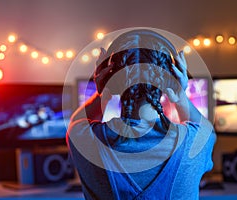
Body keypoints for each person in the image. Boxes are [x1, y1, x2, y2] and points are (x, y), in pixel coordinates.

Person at [67, 29, 216, 200]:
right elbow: (207, 130)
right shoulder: (194, 143)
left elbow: (75, 123)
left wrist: (103, 93)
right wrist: (180, 95)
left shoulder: (86, 141)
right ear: (169, 80)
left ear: (112, 81)